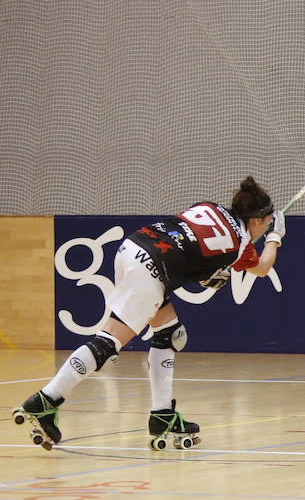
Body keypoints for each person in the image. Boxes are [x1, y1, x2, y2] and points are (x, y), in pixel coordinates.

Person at [15, 176, 286, 450]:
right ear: (255, 220)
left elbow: (191, 245)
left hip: (131, 247)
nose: (265, 229)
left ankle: (162, 415)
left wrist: (209, 272)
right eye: (266, 224)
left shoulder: (210, 207)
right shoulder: (241, 243)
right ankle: (45, 401)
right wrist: (275, 238)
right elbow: (262, 268)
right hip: (151, 269)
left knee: (171, 334)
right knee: (108, 342)